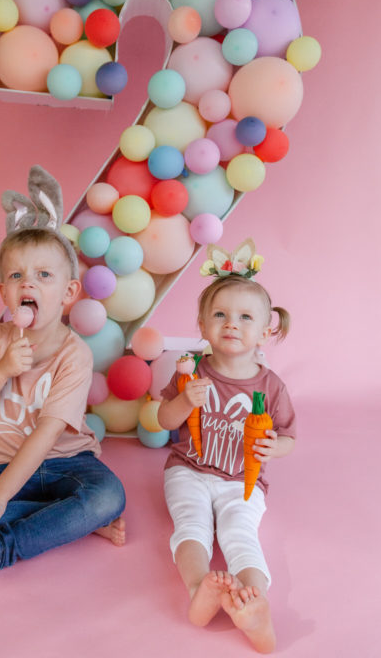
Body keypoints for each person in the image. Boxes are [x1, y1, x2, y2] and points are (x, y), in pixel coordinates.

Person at [0, 166, 126, 577]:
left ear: (68, 294)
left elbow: (48, 433)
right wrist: (1, 370)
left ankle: (7, 548)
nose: (28, 283)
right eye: (16, 276)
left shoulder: (75, 355)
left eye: (43, 275)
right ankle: (70, 524)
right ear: (4, 293)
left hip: (70, 462)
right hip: (4, 463)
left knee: (108, 497)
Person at [158, 271, 296, 654]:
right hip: (188, 469)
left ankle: (257, 605)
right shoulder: (192, 372)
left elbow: (289, 437)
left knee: (239, 533)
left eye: (246, 317)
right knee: (192, 523)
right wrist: (185, 401)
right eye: (220, 315)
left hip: (242, 482)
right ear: (202, 325)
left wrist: (273, 448)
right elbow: (164, 421)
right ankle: (198, 588)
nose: (232, 323)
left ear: (265, 333)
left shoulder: (271, 387)